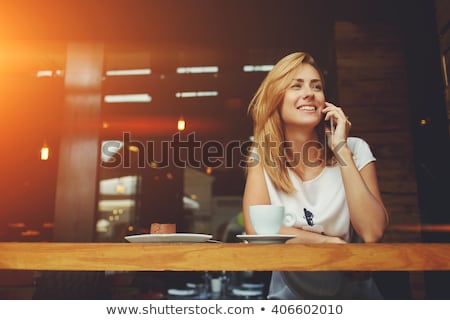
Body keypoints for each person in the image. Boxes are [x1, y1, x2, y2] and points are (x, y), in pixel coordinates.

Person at [242, 52, 389, 299]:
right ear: (276, 99)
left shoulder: (355, 148)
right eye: (296, 86)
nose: (309, 93)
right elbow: (257, 230)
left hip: (355, 299)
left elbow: (372, 231)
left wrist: (341, 149)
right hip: (290, 299)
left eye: (316, 86)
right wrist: (328, 243)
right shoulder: (262, 157)